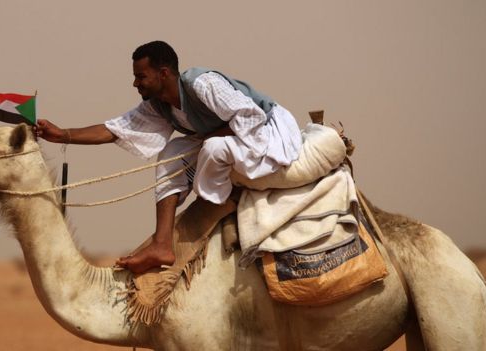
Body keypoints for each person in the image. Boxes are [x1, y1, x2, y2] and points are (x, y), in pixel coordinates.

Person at [36, 40, 303, 273]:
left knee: (213, 149)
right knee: (171, 153)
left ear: (163, 73)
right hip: (224, 141)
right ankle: (162, 245)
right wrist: (63, 135)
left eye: (141, 77)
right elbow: (115, 130)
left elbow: (249, 115)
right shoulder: (159, 105)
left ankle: (217, 202)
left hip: (265, 130)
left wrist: (209, 139)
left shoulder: (201, 84)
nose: (135, 83)